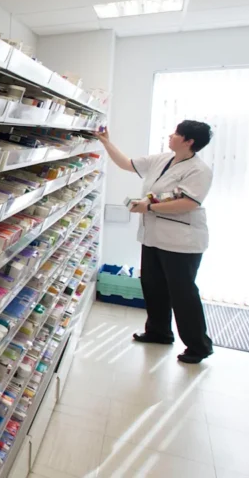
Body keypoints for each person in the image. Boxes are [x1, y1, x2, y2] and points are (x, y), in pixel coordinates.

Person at [96, 120, 214, 364]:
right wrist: (106, 142)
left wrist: (148, 207)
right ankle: (159, 332)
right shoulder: (163, 159)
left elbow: (188, 203)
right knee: (153, 286)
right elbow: (127, 164)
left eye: (177, 133)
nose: (171, 135)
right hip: (153, 236)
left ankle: (198, 346)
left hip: (181, 241)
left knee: (183, 293)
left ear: (189, 141)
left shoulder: (199, 170)